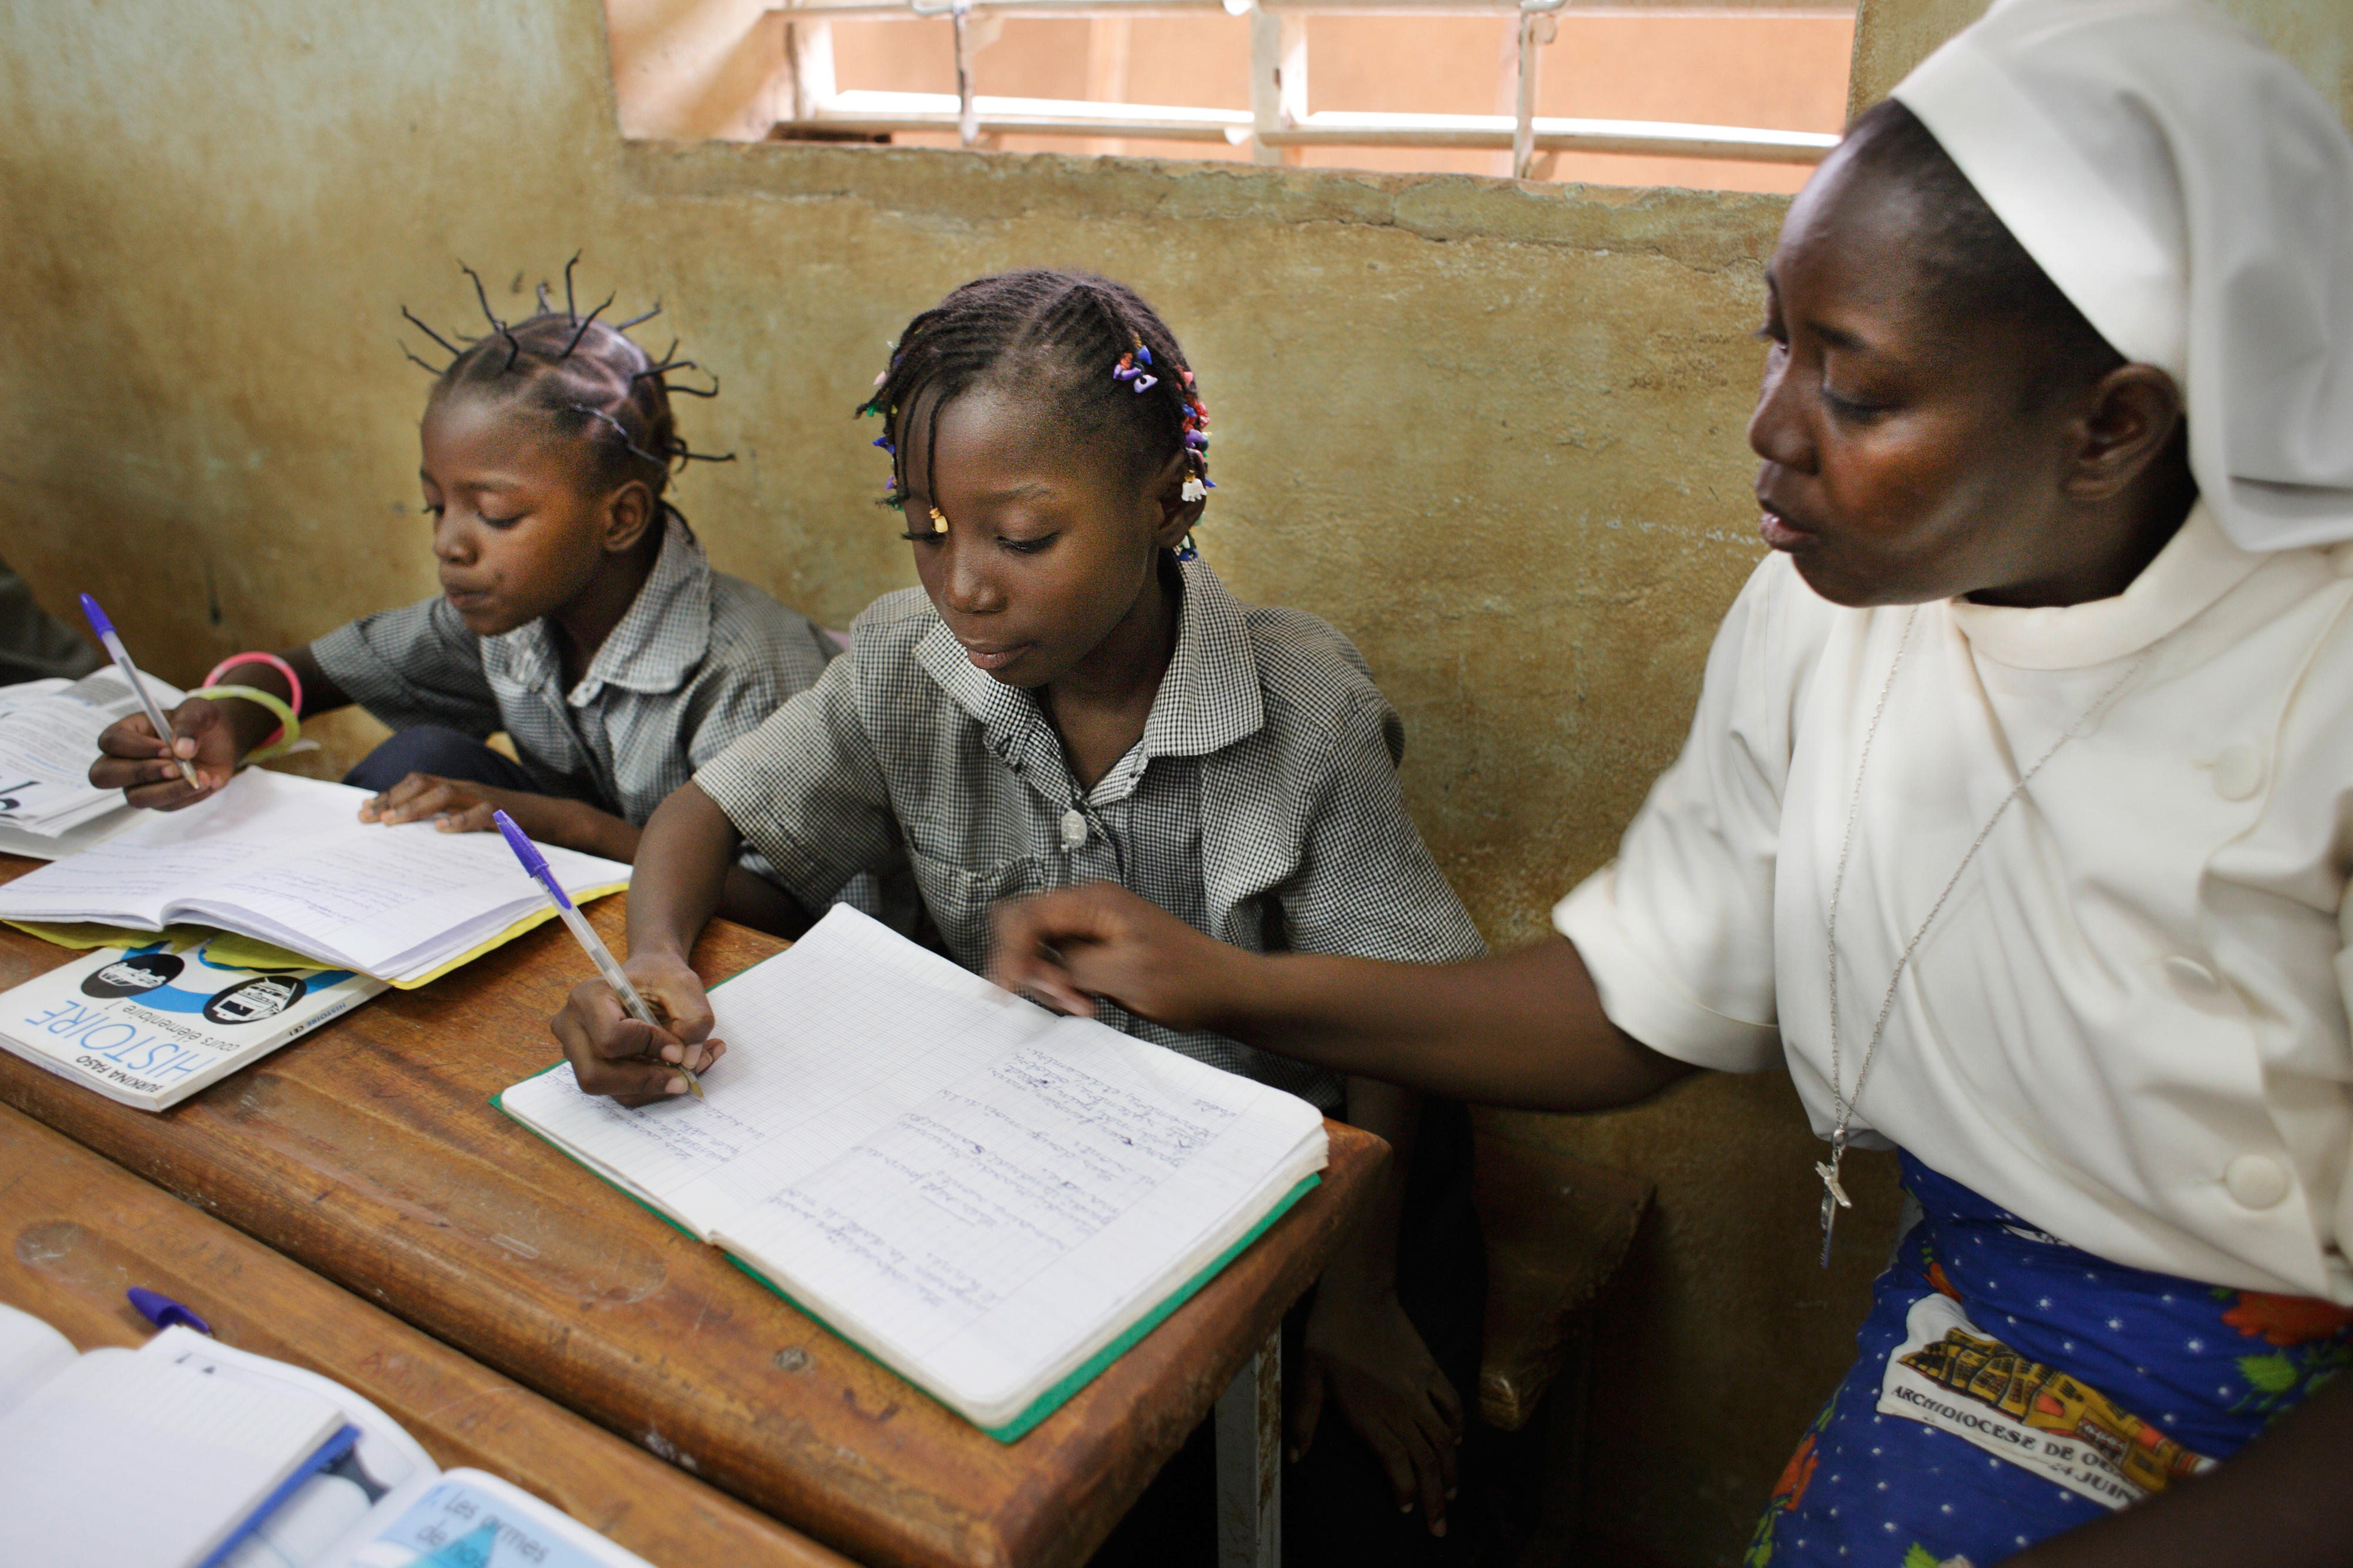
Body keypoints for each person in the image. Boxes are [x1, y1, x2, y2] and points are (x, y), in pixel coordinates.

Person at [988, 3, 2353, 1563]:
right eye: (1782, 339)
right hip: (1990, 1306)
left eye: (1856, 387)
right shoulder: (1825, 619)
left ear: (2110, 425)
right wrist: (1227, 977)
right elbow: (1642, 1002)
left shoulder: (2323, 690)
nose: (1769, 432)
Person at [552, 269, 1488, 1563]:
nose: (963, 587)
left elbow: (1402, 1019)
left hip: (1316, 1179)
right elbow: (701, 816)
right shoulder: (903, 659)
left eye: (1021, 539)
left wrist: (1357, 1293)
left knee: (1339, 1507)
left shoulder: (1305, 706)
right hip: (1037, 1169)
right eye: (926, 531)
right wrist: (650, 955)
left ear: (1167, 501)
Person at [89, 267, 831, 932]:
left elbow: (795, 912)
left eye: (497, 516)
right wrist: (224, 721)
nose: (451, 543)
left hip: (725, 937)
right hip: (594, 888)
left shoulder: (746, 674)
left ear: (620, 518)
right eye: (435, 507)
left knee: (446, 779)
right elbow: (307, 673)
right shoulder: (509, 618)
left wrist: (562, 824)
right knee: (421, 761)